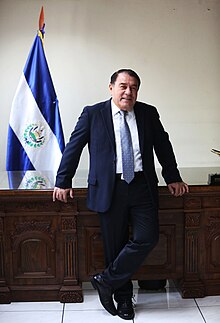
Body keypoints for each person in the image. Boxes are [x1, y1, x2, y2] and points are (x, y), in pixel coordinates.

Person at [53, 69, 189, 320]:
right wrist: (63, 180)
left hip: (141, 186)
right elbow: (74, 146)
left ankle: (105, 280)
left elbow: (163, 145)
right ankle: (124, 299)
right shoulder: (93, 114)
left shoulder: (148, 113)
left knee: (147, 237)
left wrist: (173, 177)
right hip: (109, 189)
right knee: (114, 246)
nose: (129, 92)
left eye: (134, 87)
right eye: (123, 86)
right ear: (111, 88)